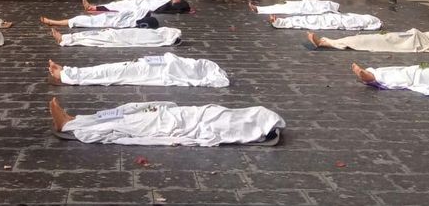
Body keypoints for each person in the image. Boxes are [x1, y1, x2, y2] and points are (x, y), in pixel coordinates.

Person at [47, 98, 284, 147]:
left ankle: (68, 125)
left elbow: (211, 131)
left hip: (179, 124)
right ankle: (77, 119)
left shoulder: (239, 126)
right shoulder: (236, 115)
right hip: (192, 114)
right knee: (128, 114)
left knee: (127, 125)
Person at [47, 53, 229, 88]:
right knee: (109, 69)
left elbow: (180, 72)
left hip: (148, 71)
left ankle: (67, 75)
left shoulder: (199, 71)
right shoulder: (201, 65)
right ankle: (69, 71)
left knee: (110, 74)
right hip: (146, 64)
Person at [305, 28, 429, 54]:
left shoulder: (420, 42)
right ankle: (327, 42)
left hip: (389, 41)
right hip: (390, 37)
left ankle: (326, 42)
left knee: (362, 41)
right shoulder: (416, 35)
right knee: (360, 39)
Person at [50, 26, 182, 48]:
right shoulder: (159, 33)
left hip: (122, 37)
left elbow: (137, 39)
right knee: (97, 35)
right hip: (123, 34)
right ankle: (68, 37)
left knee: (98, 38)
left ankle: (66, 39)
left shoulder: (159, 38)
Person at [39, 9, 158, 30]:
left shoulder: (132, 22)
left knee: (78, 19)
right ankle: (52, 22)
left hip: (102, 21)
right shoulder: (132, 18)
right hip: (103, 19)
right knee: (78, 19)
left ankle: (52, 22)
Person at [81, 0, 190, 14]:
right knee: (118, 3)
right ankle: (93, 6)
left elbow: (151, 5)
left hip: (139, 5)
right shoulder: (166, 0)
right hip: (139, 2)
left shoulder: (164, 3)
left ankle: (92, 7)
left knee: (118, 5)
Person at [249, 0, 340, 15]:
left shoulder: (326, 7)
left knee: (283, 8)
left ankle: (259, 9)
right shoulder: (327, 4)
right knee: (282, 6)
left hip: (303, 7)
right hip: (303, 4)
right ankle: (260, 9)